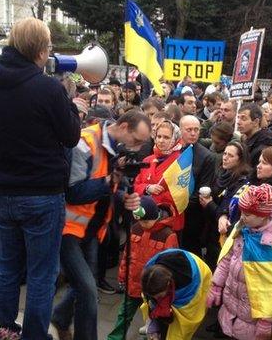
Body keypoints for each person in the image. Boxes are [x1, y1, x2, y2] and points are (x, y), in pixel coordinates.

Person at [0, 18, 81, 339]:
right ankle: (34, 334)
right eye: (48, 47)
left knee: (6, 265)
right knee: (42, 273)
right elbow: (71, 135)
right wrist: (71, 104)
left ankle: (5, 329)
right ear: (40, 50)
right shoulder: (48, 88)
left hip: (4, 191)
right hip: (43, 194)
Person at [51, 111, 150, 340]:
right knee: (87, 290)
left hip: (93, 229)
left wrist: (125, 197)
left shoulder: (118, 148)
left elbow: (115, 190)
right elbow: (74, 192)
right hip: (68, 229)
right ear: (123, 127)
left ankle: (59, 318)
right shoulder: (84, 142)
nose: (136, 148)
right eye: (136, 140)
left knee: (83, 285)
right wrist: (110, 182)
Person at [206, 184, 272, 340]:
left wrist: (266, 320)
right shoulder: (243, 229)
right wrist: (216, 285)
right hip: (229, 308)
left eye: (247, 214)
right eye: (242, 212)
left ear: (263, 215)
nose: (242, 217)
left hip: (251, 318)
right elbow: (227, 258)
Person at [107, 197, 179, 340]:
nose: (143, 224)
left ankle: (150, 336)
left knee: (154, 318)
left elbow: (171, 266)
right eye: (140, 221)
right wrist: (122, 275)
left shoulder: (168, 235)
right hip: (133, 283)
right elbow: (126, 255)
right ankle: (115, 337)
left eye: (146, 221)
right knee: (124, 314)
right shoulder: (135, 229)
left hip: (153, 288)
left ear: (155, 216)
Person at [199, 141, 251, 266]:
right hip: (211, 229)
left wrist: (210, 204)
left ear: (240, 160)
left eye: (231, 155)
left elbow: (229, 209)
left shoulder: (242, 181)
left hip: (223, 235)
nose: (225, 157)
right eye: (225, 153)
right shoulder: (223, 173)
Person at [140, 249, 212, 339]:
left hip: (198, 278)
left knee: (179, 328)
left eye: (159, 296)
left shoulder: (187, 282)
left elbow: (187, 314)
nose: (157, 299)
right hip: (172, 282)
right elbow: (151, 299)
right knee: (155, 307)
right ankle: (156, 329)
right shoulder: (150, 272)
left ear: (168, 285)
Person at [134, 120, 185, 231]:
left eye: (166, 137)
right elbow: (136, 185)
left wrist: (153, 199)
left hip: (167, 222)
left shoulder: (181, 162)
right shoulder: (148, 160)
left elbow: (181, 196)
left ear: (175, 139)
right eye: (159, 136)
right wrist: (147, 188)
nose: (161, 140)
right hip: (143, 218)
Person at [179, 115, 215, 256]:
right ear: (181, 130)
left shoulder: (207, 156)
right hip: (172, 210)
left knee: (191, 251)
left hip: (192, 215)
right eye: (189, 130)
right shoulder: (174, 150)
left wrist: (181, 206)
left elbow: (203, 189)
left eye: (196, 130)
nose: (193, 133)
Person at [237, 103, 272, 169]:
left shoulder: (262, 148)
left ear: (256, 122)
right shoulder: (245, 140)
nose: (238, 122)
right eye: (238, 118)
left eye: (243, 119)